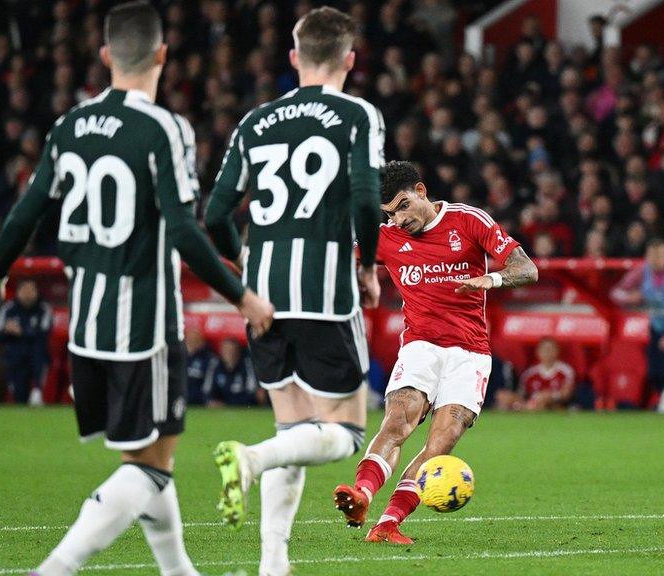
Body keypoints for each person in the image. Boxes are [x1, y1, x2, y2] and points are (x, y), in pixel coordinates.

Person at [0, 3, 274, 575]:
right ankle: (55, 568)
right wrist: (242, 296)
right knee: (152, 466)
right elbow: (184, 229)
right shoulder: (164, 128)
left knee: (148, 457)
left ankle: (180, 572)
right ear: (162, 55)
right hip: (144, 329)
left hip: (87, 330)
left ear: (106, 55)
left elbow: (25, 213)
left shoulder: (69, 126)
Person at [203, 7, 384, 574]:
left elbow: (213, 214)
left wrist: (245, 262)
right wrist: (369, 266)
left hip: (260, 296)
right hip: (323, 292)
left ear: (293, 58)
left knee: (294, 430)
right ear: (349, 60)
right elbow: (362, 197)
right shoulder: (356, 114)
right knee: (347, 431)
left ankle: (272, 566)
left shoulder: (255, 122)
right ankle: (250, 459)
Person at [332, 161, 538, 544]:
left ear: (422, 191)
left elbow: (527, 269)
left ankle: (388, 523)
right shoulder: (382, 235)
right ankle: (361, 494)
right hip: (420, 345)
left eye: (403, 207)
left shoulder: (468, 221)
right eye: (389, 214)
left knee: (439, 445)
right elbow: (330, 252)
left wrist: (489, 279)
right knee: (398, 422)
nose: (397, 221)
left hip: (470, 353)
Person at [610, 239, 664, 412]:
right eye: (652, 255)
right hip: (657, 323)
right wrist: (631, 298)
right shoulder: (641, 273)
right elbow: (616, 293)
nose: (656, 260)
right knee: (653, 366)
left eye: (660, 255)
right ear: (647, 256)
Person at [0, 279, 52, 406]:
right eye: (24, 290)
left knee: (38, 351)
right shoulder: (8, 309)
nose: (28, 294)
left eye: (31, 290)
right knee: (19, 396)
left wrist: (21, 332)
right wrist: (6, 331)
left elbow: (43, 335)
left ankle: (37, 391)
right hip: (15, 356)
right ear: (18, 292)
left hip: (36, 356)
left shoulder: (43, 309)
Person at [516, 338, 576, 410]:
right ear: (538, 352)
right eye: (544, 349)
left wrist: (550, 396)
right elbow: (521, 396)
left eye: (550, 349)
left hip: (556, 406)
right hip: (532, 406)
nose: (547, 352)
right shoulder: (529, 374)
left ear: (557, 351)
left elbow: (566, 394)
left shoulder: (565, 370)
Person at [203, 338, 263, 407]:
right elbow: (207, 391)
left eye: (232, 350)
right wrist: (211, 401)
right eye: (226, 350)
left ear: (238, 351)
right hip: (222, 407)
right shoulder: (215, 365)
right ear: (221, 352)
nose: (229, 353)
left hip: (243, 407)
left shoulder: (247, 365)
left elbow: (253, 394)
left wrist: (227, 404)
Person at [182, 326, 217, 405]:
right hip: (179, 396)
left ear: (202, 342)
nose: (192, 341)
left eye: (196, 339)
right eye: (190, 339)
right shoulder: (177, 356)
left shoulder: (208, 358)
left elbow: (208, 384)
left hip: (199, 400)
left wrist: (207, 399)